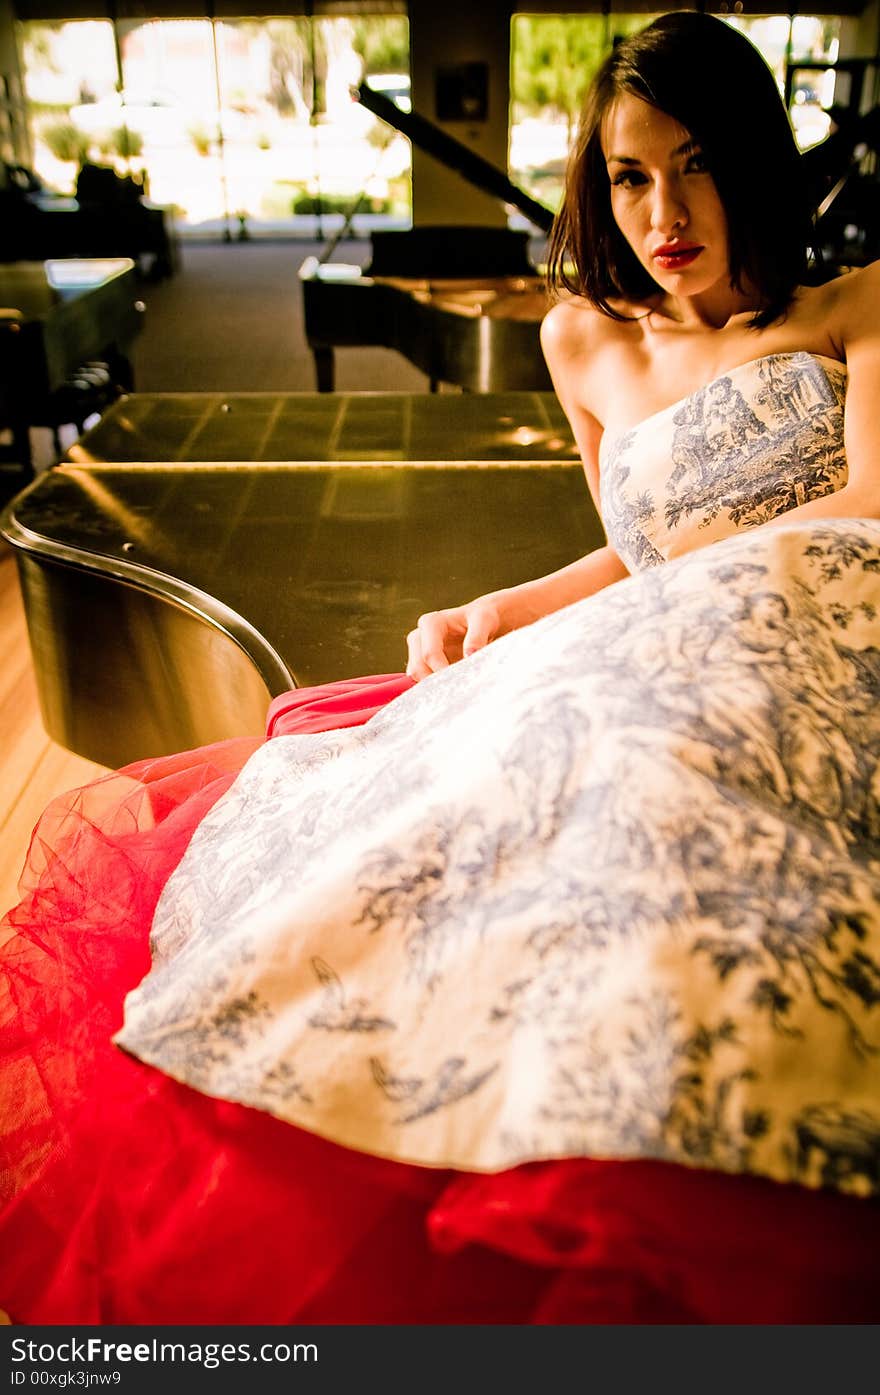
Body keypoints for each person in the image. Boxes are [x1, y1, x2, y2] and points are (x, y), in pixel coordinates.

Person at [2, 12, 880, 1326]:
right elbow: (639, 551)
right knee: (498, 801)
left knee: (652, 777)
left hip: (817, 629)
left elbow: (871, 508)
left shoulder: (856, 307)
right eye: (629, 175)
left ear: (750, 158)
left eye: (693, 162)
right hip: (675, 636)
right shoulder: (583, 339)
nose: (662, 209)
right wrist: (509, 601)